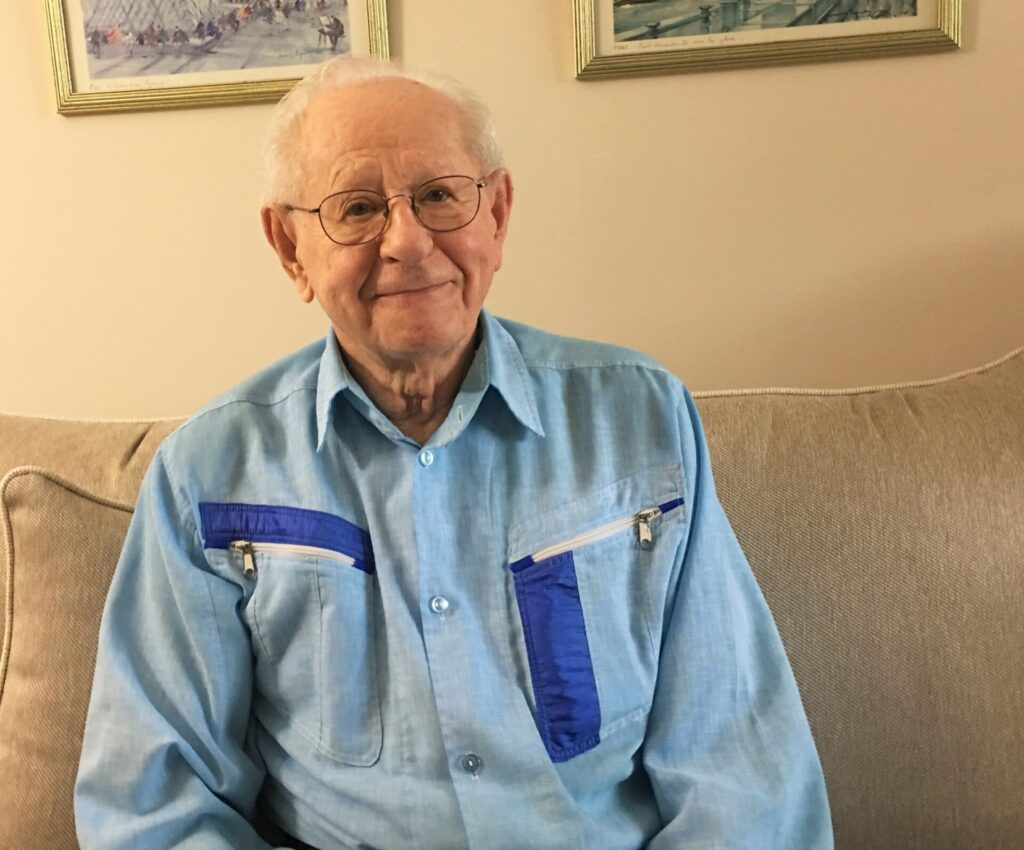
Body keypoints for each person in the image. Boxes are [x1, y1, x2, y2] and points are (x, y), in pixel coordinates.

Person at [74, 57, 833, 849]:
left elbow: (743, 772)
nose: (406, 242)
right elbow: (152, 803)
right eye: (358, 208)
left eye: (439, 195)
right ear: (289, 246)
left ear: (497, 214)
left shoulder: (641, 422)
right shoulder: (208, 476)